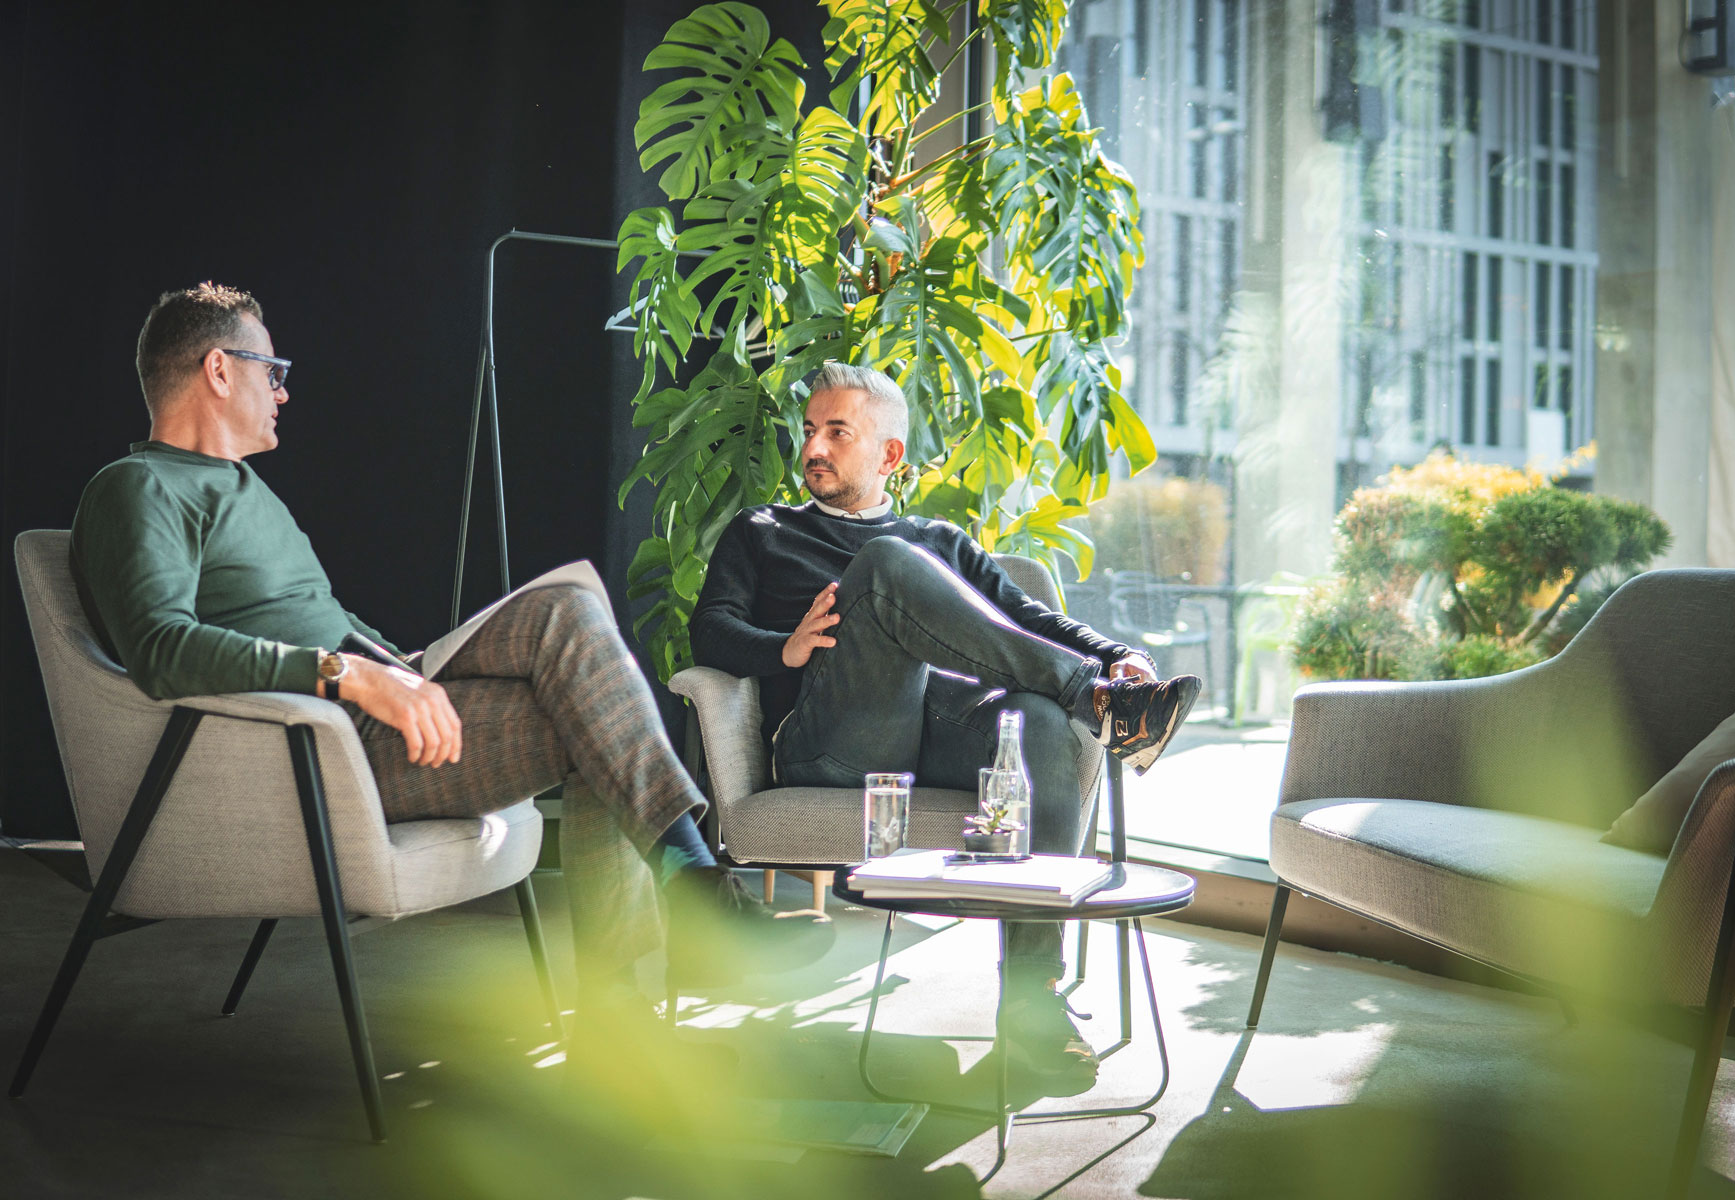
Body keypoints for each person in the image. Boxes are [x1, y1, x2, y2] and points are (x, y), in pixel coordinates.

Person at [69, 282, 794, 1043]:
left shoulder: (244, 487)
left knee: (574, 629)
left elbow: (327, 621)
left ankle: (649, 963)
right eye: (271, 370)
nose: (283, 392)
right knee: (582, 674)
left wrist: (401, 669)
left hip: (367, 706)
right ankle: (690, 899)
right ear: (219, 370)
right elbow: (161, 650)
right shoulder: (137, 489)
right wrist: (350, 675)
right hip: (320, 747)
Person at [690, 361, 1201, 1078]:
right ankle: (1095, 701)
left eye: (837, 432)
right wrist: (786, 648)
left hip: (934, 740)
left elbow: (1028, 619)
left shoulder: (941, 540)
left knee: (1038, 723)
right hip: (832, 746)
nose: (813, 448)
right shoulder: (763, 530)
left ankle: (1031, 1001)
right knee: (885, 565)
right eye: (809, 430)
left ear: (889, 455)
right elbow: (709, 632)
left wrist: (1121, 654)